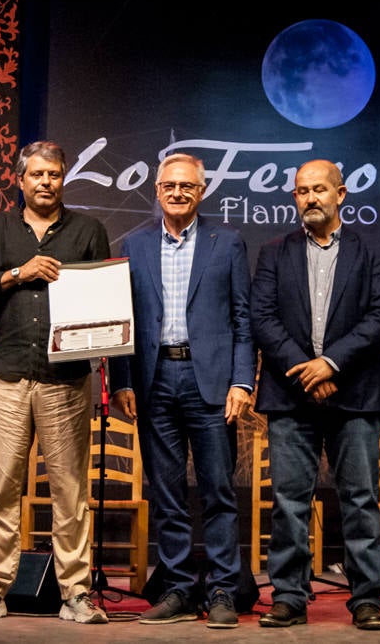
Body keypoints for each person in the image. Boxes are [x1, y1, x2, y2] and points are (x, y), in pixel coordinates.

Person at [0, 140, 111, 624]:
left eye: (54, 175)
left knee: (69, 492)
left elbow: (105, 300)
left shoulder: (87, 229)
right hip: (7, 375)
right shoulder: (1, 228)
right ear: (20, 180)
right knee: (2, 488)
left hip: (66, 380)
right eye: (37, 175)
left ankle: (76, 593)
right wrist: (18, 273)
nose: (46, 182)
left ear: (64, 179)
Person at [109, 153, 255, 629]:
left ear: (202, 191)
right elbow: (122, 322)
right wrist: (123, 381)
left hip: (209, 381)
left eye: (187, 186)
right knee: (167, 493)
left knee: (217, 492)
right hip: (154, 380)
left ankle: (222, 591)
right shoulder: (133, 243)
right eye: (169, 185)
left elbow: (242, 320)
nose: (177, 193)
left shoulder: (228, 243)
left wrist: (241, 380)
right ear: (156, 189)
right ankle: (176, 588)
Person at [250, 159, 380, 630]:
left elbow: (379, 318)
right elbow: (263, 320)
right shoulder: (273, 253)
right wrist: (307, 372)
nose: (310, 198)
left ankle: (367, 599)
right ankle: (290, 596)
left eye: (319, 190)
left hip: (356, 394)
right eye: (301, 191)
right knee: (289, 501)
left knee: (359, 498)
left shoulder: (371, 251)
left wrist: (330, 364)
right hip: (291, 396)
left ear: (341, 194)